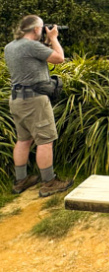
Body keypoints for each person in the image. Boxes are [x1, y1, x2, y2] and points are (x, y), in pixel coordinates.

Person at [4, 15, 73, 197]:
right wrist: (53, 38)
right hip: (34, 100)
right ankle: (49, 182)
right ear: (35, 29)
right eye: (42, 28)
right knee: (45, 140)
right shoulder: (32, 46)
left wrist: (46, 40)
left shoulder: (10, 47)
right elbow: (59, 58)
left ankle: (21, 180)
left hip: (17, 99)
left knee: (23, 139)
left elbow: (36, 60)